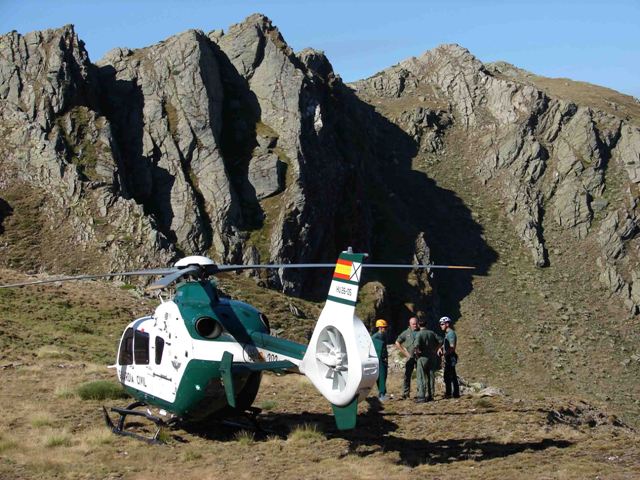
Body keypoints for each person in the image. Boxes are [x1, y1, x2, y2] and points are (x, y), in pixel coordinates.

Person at [414, 319, 442, 403]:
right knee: (431, 376)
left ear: (418, 325)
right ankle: (431, 395)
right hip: (432, 357)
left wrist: (417, 354)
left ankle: (421, 396)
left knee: (421, 376)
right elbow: (441, 340)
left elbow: (416, 346)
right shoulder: (431, 333)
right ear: (426, 325)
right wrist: (436, 349)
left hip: (422, 357)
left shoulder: (419, 334)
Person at [395, 316, 420, 399]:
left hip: (420, 358)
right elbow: (397, 343)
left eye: (416, 324)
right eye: (413, 324)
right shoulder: (406, 333)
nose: (415, 325)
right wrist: (405, 353)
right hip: (410, 358)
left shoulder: (421, 331)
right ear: (410, 324)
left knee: (420, 375)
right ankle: (406, 393)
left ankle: (420, 393)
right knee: (407, 375)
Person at [438, 316, 460, 398]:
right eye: (440, 324)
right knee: (449, 375)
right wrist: (440, 348)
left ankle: (453, 394)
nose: (441, 325)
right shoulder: (447, 333)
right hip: (449, 356)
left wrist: (445, 354)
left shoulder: (450, 334)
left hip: (450, 357)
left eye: (442, 324)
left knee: (451, 376)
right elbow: (446, 344)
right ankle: (451, 393)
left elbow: (452, 347)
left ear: (447, 324)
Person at [371, 319, 391, 401]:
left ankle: (383, 393)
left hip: (383, 358)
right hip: (379, 359)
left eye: (385, 327)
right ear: (379, 327)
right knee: (381, 376)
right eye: (384, 327)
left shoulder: (384, 335)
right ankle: (381, 394)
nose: (385, 329)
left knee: (384, 375)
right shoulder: (375, 337)